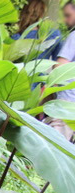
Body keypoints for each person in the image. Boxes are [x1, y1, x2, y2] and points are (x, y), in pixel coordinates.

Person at [47, 2, 75, 141]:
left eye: (68, 16)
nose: (65, 20)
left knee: (56, 145)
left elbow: (60, 66)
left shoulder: (74, 36)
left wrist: (51, 91)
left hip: (67, 102)